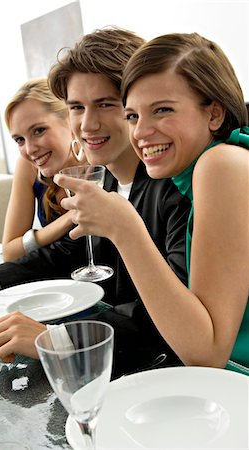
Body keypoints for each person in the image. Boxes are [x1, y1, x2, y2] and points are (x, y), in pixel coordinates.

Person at [0, 28, 190, 377]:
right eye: (76, 107)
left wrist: (58, 340)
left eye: (105, 104)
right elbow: (69, 250)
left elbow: (171, 317)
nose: (88, 124)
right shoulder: (105, 178)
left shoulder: (177, 189)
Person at [54, 32, 249, 374]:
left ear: (214, 114)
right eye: (132, 116)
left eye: (162, 110)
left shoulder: (221, 166)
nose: (141, 133)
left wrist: (126, 229)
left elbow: (206, 354)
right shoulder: (209, 169)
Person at [1, 78, 85, 261]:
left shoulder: (98, 164)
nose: (30, 149)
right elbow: (9, 252)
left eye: (38, 130)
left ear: (70, 122)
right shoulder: (28, 167)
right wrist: (69, 218)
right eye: (19, 140)